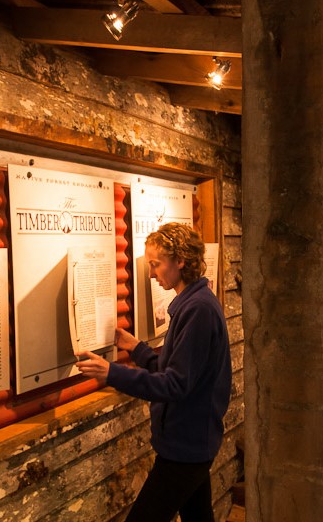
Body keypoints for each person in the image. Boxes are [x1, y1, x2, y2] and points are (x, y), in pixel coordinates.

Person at [76, 222, 232, 522]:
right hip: (193, 441)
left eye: (155, 264)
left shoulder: (198, 310)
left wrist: (112, 373)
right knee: (199, 516)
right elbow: (177, 370)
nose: (150, 273)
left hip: (186, 447)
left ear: (180, 261)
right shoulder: (194, 304)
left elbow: (175, 384)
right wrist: (138, 350)